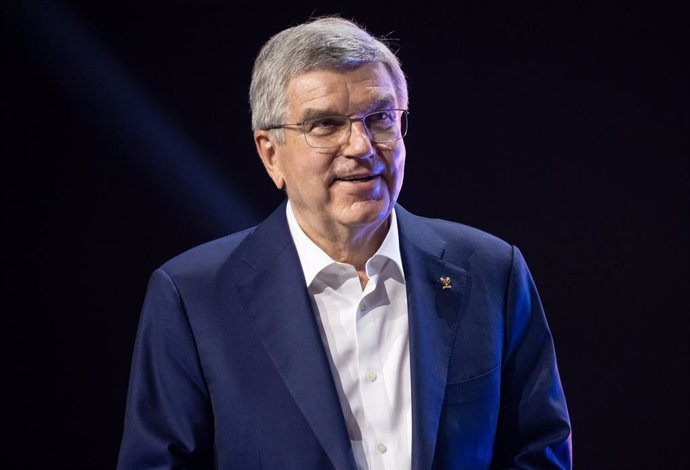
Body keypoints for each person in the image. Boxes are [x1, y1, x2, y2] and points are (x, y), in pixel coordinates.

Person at [116, 15, 572, 470]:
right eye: (326, 124)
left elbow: (538, 452)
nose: (360, 145)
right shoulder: (193, 297)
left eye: (380, 118)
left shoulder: (492, 271)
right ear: (270, 153)